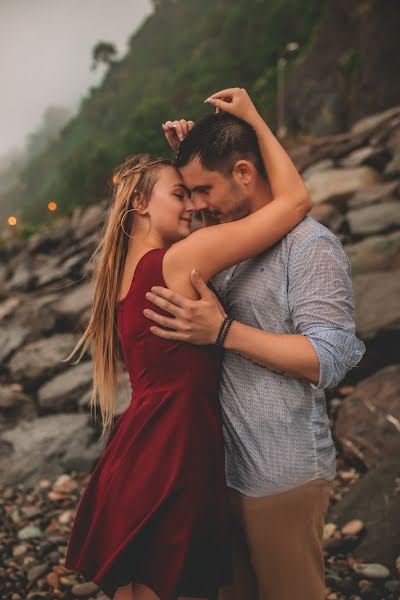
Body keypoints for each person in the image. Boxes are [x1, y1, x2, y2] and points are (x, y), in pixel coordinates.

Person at [62, 88, 312, 600]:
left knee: (143, 586)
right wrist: (254, 120)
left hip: (138, 445)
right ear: (139, 204)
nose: (194, 204)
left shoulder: (128, 280)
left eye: (194, 194)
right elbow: (295, 202)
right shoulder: (175, 264)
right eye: (181, 194)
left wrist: (183, 165)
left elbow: (203, 226)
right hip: (179, 444)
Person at [143, 88, 367, 600]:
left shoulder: (311, 246)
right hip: (219, 472)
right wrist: (188, 162)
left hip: (281, 471)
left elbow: (329, 357)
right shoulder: (228, 237)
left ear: (245, 172)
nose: (197, 204)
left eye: (203, 189)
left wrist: (224, 333)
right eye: (188, 194)